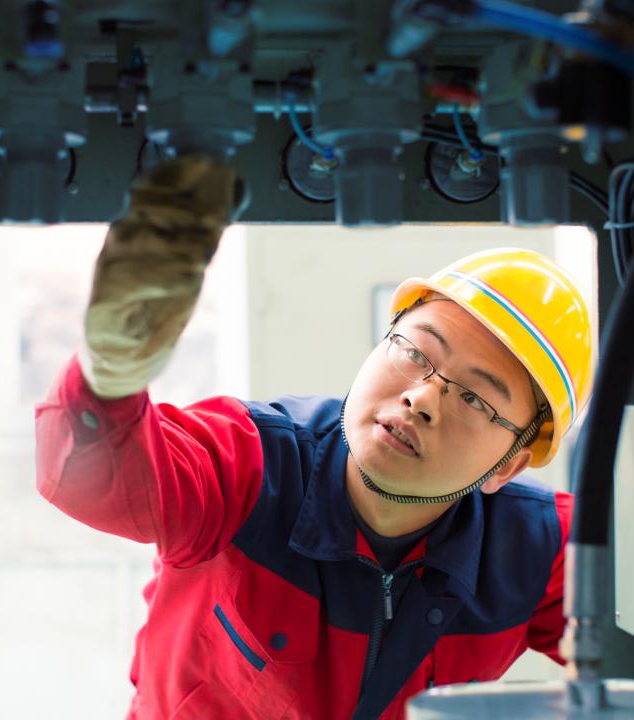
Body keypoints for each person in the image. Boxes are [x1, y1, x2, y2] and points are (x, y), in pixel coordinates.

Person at [35, 155, 595, 720]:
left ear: (509, 465)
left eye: (475, 398)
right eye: (415, 352)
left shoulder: (535, 549)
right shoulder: (250, 467)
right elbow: (101, 479)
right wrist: (110, 374)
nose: (423, 397)